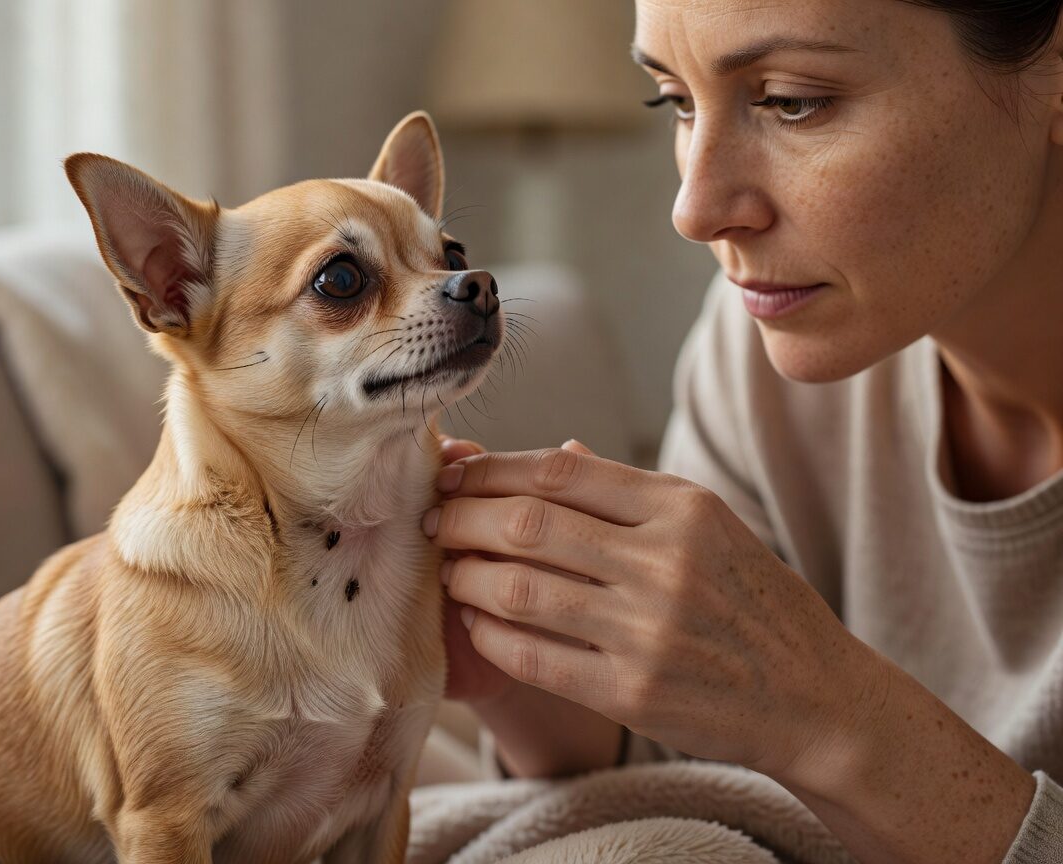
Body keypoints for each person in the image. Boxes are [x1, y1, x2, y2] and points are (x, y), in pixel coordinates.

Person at [424, 2, 1063, 863]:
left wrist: (825, 709)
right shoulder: (760, 352)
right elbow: (707, 770)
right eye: (675, 102)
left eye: (792, 101)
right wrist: (532, 665)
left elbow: (791, 722)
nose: (696, 209)